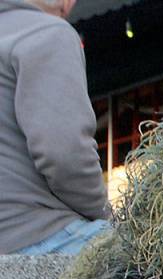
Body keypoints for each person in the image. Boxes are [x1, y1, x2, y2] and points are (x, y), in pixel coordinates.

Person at [0, 0, 109, 255]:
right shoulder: (47, 33)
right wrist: (107, 214)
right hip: (36, 233)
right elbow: (65, 155)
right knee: (156, 265)